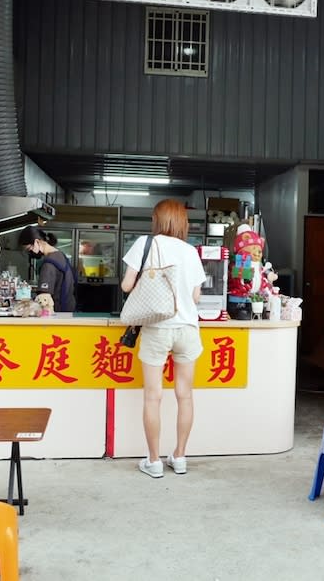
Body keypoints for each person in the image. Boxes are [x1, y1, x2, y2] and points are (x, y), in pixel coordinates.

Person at [121, 199, 206, 479]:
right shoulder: (191, 251)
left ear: (156, 220)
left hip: (157, 328)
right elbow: (195, 297)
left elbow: (126, 285)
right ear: (183, 222)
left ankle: (154, 461)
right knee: (185, 396)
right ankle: (180, 457)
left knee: (152, 396)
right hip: (187, 329)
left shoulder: (146, 244)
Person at [18, 226, 77, 312]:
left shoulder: (48, 265)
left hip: (58, 312)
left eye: (29, 249)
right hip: (68, 310)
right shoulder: (60, 255)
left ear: (37, 242)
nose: (29, 253)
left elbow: (44, 299)